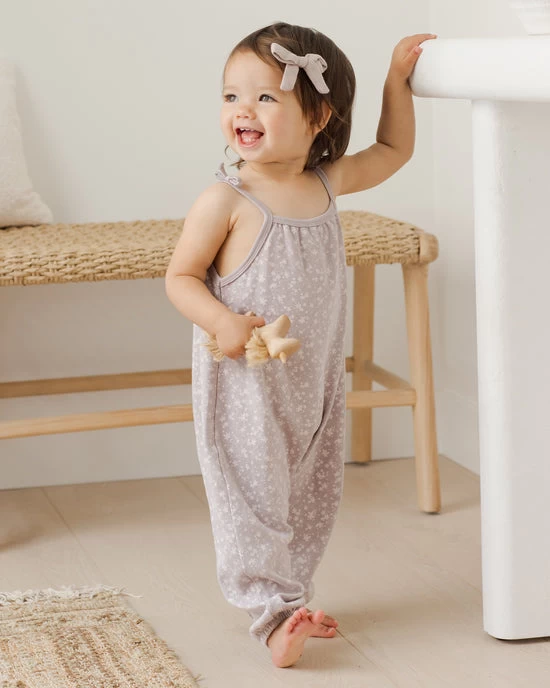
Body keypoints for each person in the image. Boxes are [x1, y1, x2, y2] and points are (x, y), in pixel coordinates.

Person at [165, 21, 437, 668]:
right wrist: (221, 322)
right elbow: (180, 278)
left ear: (319, 116)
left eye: (265, 97)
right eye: (231, 96)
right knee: (253, 498)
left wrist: (396, 82)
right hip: (246, 388)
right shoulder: (226, 199)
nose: (243, 110)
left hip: (314, 383)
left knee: (312, 494)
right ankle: (273, 616)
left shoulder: (325, 183)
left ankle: (293, 596)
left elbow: (393, 149)